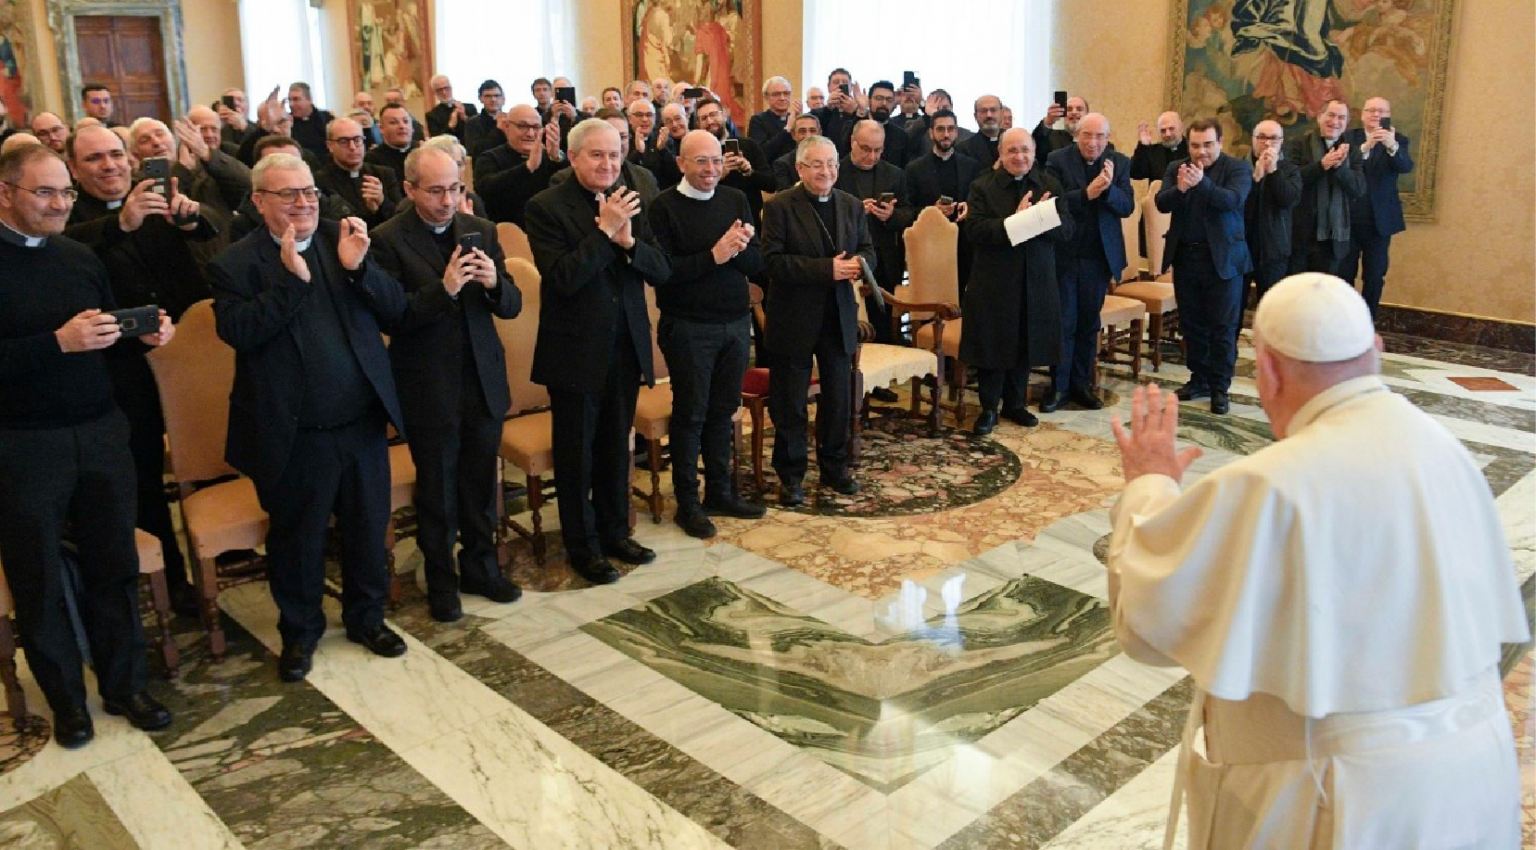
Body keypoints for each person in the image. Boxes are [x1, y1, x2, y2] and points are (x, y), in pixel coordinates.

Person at [1107, 273, 1525, 849]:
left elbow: (1148, 625)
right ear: (1376, 350)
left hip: (1340, 799)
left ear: (1268, 370)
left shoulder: (1269, 485)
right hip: (1474, 775)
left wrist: (1149, 483)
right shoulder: (1444, 450)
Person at [0, 143, 175, 747]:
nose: (59, 205)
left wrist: (139, 336)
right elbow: (57, 344)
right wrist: (55, 343)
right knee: (40, 578)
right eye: (44, 193)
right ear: (5, 194)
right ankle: (67, 703)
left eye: (65, 193)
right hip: (24, 444)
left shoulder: (78, 256)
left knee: (114, 564)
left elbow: (103, 338)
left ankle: (126, 684)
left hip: (100, 431)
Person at [210, 153, 409, 682]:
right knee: (298, 541)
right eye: (289, 194)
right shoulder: (235, 263)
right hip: (295, 433)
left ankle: (368, 618)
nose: (303, 203)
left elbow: (396, 311)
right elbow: (239, 332)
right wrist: (291, 285)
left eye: (309, 192)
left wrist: (360, 269)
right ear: (259, 202)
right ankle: (299, 633)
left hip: (361, 423)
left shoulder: (341, 240)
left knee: (367, 529)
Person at [64, 124, 218, 615]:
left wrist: (191, 220)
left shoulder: (154, 198)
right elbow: (68, 257)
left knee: (211, 454)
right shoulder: (68, 218)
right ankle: (169, 579)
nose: (109, 165)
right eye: (94, 159)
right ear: (72, 169)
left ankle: (219, 551)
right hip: (122, 371)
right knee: (143, 477)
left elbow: (214, 231)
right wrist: (121, 224)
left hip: (185, 357)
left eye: (115, 154)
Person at [373, 147, 522, 623]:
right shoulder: (387, 240)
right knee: (437, 492)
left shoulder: (482, 231)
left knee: (480, 486)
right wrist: (445, 289)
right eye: (435, 191)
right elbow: (393, 316)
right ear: (409, 189)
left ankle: (481, 569)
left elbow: (512, 306)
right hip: (428, 385)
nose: (447, 201)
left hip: (481, 378)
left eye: (455, 189)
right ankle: (442, 583)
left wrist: (496, 283)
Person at [524, 118, 670, 584]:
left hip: (625, 346)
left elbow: (660, 268)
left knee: (614, 449)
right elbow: (563, 278)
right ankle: (582, 547)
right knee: (577, 457)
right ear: (572, 157)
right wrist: (605, 232)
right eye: (597, 155)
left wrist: (629, 243)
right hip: (574, 352)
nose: (608, 164)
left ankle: (615, 533)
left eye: (615, 155)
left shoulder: (630, 199)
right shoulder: (545, 207)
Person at [648, 130, 767, 538]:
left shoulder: (735, 199)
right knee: (692, 414)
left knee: (723, 411)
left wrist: (739, 249)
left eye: (717, 161)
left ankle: (719, 491)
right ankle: (688, 503)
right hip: (688, 326)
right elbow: (663, 273)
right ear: (681, 163)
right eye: (701, 161)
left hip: (734, 322)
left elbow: (756, 262)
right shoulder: (663, 207)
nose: (711, 169)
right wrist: (715, 255)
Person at [760, 135, 873, 505]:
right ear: (800, 168)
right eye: (817, 164)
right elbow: (771, 262)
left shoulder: (851, 205)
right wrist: (827, 269)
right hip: (793, 317)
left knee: (838, 398)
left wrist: (860, 264)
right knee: (791, 402)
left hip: (837, 316)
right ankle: (791, 476)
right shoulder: (779, 207)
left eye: (832, 164)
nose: (826, 171)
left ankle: (834, 468)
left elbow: (868, 249)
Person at [960, 129, 1072, 435]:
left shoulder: (1049, 185)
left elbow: (1067, 230)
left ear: (1034, 152)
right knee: (994, 345)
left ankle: (1015, 404)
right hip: (994, 281)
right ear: (1000, 154)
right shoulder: (982, 186)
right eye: (1012, 151)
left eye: (1024, 150)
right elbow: (975, 231)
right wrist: (1018, 221)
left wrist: (1037, 218)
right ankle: (988, 407)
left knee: (1025, 342)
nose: (1019, 157)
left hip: (1035, 280)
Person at [1156, 118, 1253, 415]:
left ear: (1220, 142)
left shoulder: (1237, 168)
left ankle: (1219, 387)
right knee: (1192, 324)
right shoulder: (1177, 168)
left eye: (1208, 145)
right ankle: (1198, 379)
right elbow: (1161, 203)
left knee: (1222, 326)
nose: (1201, 152)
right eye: (1195, 146)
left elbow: (1232, 200)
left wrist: (1202, 184)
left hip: (1224, 261)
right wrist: (1180, 189)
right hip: (1187, 258)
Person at [1044, 113, 1133, 413]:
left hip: (1098, 257)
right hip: (1065, 254)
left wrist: (1107, 190)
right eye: (1087, 135)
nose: (1092, 142)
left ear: (1108, 138)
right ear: (1076, 135)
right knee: (1065, 322)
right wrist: (1086, 194)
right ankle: (1058, 387)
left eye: (1099, 136)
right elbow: (1052, 204)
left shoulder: (1119, 162)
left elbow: (1127, 206)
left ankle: (1081, 385)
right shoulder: (1057, 159)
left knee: (1088, 323)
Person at [835, 119, 914, 350]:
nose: (872, 156)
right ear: (852, 142)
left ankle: (882, 369)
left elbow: (908, 213)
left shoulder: (895, 174)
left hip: (884, 258)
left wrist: (891, 215)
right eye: (866, 149)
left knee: (882, 323)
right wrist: (856, 210)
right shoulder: (835, 172)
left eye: (878, 150)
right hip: (846, 257)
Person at [1341, 96, 1413, 320]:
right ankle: (1344, 321)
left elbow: (1405, 166)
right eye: (1371, 110)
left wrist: (1391, 146)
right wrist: (1366, 147)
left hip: (1379, 222)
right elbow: (1342, 168)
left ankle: (1367, 322)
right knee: (1344, 273)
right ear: (1362, 115)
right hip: (1349, 219)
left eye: (1381, 111)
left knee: (1374, 275)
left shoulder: (1399, 140)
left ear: (1388, 116)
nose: (1376, 115)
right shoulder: (1348, 138)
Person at [904, 108, 980, 292]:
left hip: (963, 245)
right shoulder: (914, 169)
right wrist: (932, 211)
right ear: (931, 133)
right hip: (929, 245)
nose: (946, 134)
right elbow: (907, 210)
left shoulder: (970, 165)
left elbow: (978, 202)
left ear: (956, 132)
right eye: (940, 129)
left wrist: (968, 206)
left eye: (950, 129)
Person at [1285, 99, 1364, 276]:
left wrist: (1340, 168)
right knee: (1297, 288)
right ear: (1320, 117)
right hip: (1300, 235)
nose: (1335, 122)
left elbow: (1359, 188)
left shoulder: (1352, 151)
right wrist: (1321, 166)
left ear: (1346, 123)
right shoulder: (1298, 144)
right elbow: (1290, 181)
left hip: (1333, 238)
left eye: (1341, 118)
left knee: (1325, 289)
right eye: (1331, 115)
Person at [228, 135, 354, 241]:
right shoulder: (244, 224)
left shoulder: (331, 208)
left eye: (294, 163)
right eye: (275, 164)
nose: (303, 203)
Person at [476, 104, 564, 228]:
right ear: (507, 127)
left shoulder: (549, 157)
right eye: (522, 126)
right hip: (507, 230)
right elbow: (487, 191)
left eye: (536, 127)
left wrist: (556, 158)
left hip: (547, 227)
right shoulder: (489, 158)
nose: (530, 134)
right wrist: (527, 167)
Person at [548, 109, 660, 206]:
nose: (616, 143)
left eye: (622, 137)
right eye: (608, 136)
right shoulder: (563, 180)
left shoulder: (645, 177)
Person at [1245, 119, 1302, 304]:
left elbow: (1289, 200)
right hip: (1241, 248)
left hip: (1274, 251)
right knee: (1233, 307)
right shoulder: (1239, 167)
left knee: (1270, 306)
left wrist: (1274, 172)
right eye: (1262, 137)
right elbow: (1236, 204)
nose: (1267, 143)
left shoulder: (1291, 170)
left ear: (1281, 141)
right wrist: (1256, 178)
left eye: (1274, 138)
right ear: (1253, 139)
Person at [694, 97, 773, 226]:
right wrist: (719, 175)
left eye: (713, 115)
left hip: (749, 220)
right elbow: (694, 190)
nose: (709, 121)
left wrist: (749, 172)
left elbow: (771, 185)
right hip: (713, 221)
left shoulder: (749, 145)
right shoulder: (697, 152)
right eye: (703, 118)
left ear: (724, 116)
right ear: (698, 124)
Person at [317, 116, 401, 229]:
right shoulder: (320, 181)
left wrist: (382, 202)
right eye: (343, 141)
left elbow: (400, 218)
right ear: (330, 146)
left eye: (357, 140)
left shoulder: (384, 174)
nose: (352, 147)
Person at [397, 134, 489, 219]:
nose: (453, 171)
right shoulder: (408, 209)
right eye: (436, 191)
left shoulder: (472, 200)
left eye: (459, 164)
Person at [363, 103, 416, 195]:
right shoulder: (372, 159)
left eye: (406, 121)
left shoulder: (423, 152)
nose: (402, 126)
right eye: (393, 122)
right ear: (381, 128)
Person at [749, 75, 800, 163]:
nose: (782, 98)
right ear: (766, 97)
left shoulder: (795, 118)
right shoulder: (758, 120)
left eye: (786, 93)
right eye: (776, 94)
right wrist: (787, 129)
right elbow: (761, 153)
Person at [1130, 111, 1187, 181]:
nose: (1167, 134)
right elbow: (1135, 174)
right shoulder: (1154, 151)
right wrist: (1143, 146)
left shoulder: (1192, 148)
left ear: (1181, 127)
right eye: (1163, 130)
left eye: (1171, 128)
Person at [772, 113, 822, 191]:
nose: (808, 136)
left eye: (812, 131)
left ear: (820, 134)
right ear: (793, 135)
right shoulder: (782, 164)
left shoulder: (832, 160)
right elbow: (783, 195)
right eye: (802, 131)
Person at [644, 103, 690, 190]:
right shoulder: (661, 144)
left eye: (678, 118)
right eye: (669, 121)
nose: (674, 124)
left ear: (687, 117)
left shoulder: (698, 139)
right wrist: (661, 149)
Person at [286, 82, 334, 159]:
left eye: (296, 99)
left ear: (309, 100)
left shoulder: (326, 119)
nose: (291, 104)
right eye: (289, 100)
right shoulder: (286, 122)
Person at [960, 95, 1006, 169]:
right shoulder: (963, 150)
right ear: (975, 116)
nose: (989, 115)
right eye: (983, 111)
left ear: (1002, 113)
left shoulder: (1015, 143)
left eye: (993, 110)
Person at [426, 75, 478, 140]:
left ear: (451, 88)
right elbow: (436, 141)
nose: (444, 92)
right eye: (439, 90)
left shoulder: (470, 108)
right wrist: (450, 126)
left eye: (446, 88)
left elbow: (479, 132)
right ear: (434, 92)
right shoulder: (432, 115)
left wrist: (464, 118)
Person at [463, 80, 504, 158]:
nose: (493, 99)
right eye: (488, 96)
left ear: (502, 98)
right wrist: (498, 130)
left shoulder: (510, 120)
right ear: (480, 98)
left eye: (497, 95)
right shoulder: (472, 123)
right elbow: (474, 151)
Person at [625, 98, 658, 163]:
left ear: (655, 118)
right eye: (639, 115)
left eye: (649, 115)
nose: (644, 119)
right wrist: (638, 153)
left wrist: (662, 149)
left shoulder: (662, 139)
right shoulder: (624, 141)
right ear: (629, 119)